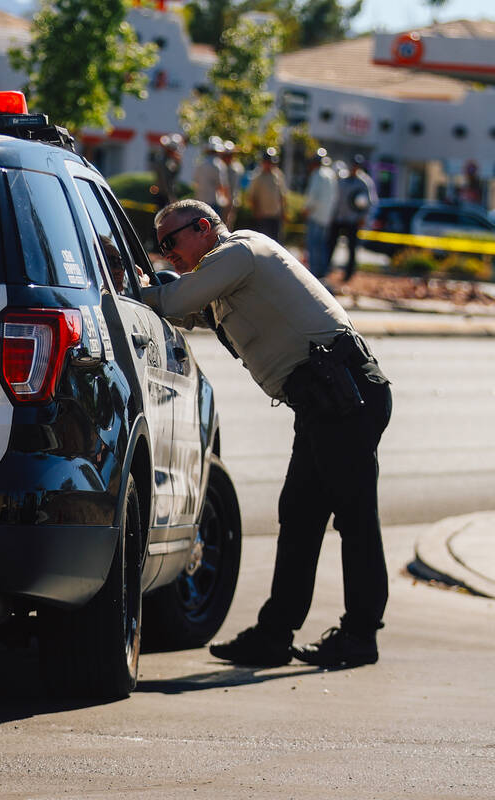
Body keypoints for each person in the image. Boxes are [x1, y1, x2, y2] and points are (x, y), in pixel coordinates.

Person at [140, 199, 393, 669]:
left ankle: (360, 635)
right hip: (324, 400)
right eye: (160, 248)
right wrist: (147, 288)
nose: (166, 254)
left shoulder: (238, 253)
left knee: (354, 519)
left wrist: (130, 293)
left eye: (171, 242)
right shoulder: (225, 277)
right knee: (298, 514)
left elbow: (175, 301)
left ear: (202, 228)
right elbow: (190, 312)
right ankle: (276, 634)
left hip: (344, 394)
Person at [331, 154, 378, 283]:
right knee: (331, 244)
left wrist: (364, 218)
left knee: (351, 248)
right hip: (339, 218)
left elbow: (371, 203)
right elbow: (336, 199)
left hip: (354, 220)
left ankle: (349, 274)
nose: (354, 168)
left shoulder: (365, 182)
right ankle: (328, 270)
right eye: (353, 166)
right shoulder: (343, 179)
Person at [303, 148, 337, 280]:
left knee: (313, 245)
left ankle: (314, 273)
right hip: (326, 217)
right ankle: (322, 272)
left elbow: (313, 197)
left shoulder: (317, 175)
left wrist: (306, 209)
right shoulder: (330, 174)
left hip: (316, 216)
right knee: (322, 246)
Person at [246, 147, 287, 242]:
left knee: (276, 242)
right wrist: (256, 212)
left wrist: (284, 212)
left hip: (275, 216)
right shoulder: (257, 176)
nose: (269, 164)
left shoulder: (278, 175)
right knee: (263, 242)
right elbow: (251, 197)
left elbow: (282, 195)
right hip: (262, 216)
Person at [193, 137, 229, 217]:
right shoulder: (219, 165)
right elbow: (222, 185)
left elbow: (195, 182)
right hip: (213, 202)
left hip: (200, 201)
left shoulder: (200, 163)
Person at [151, 134, 184, 208]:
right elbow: (165, 180)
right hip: (163, 195)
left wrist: (178, 163)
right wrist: (170, 197)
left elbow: (174, 173)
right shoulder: (163, 162)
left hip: (165, 194)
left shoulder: (169, 161)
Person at [220, 140, 246, 229]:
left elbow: (236, 187)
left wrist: (231, 200)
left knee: (228, 224)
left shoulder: (237, 168)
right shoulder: (220, 166)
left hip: (231, 201)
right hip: (220, 201)